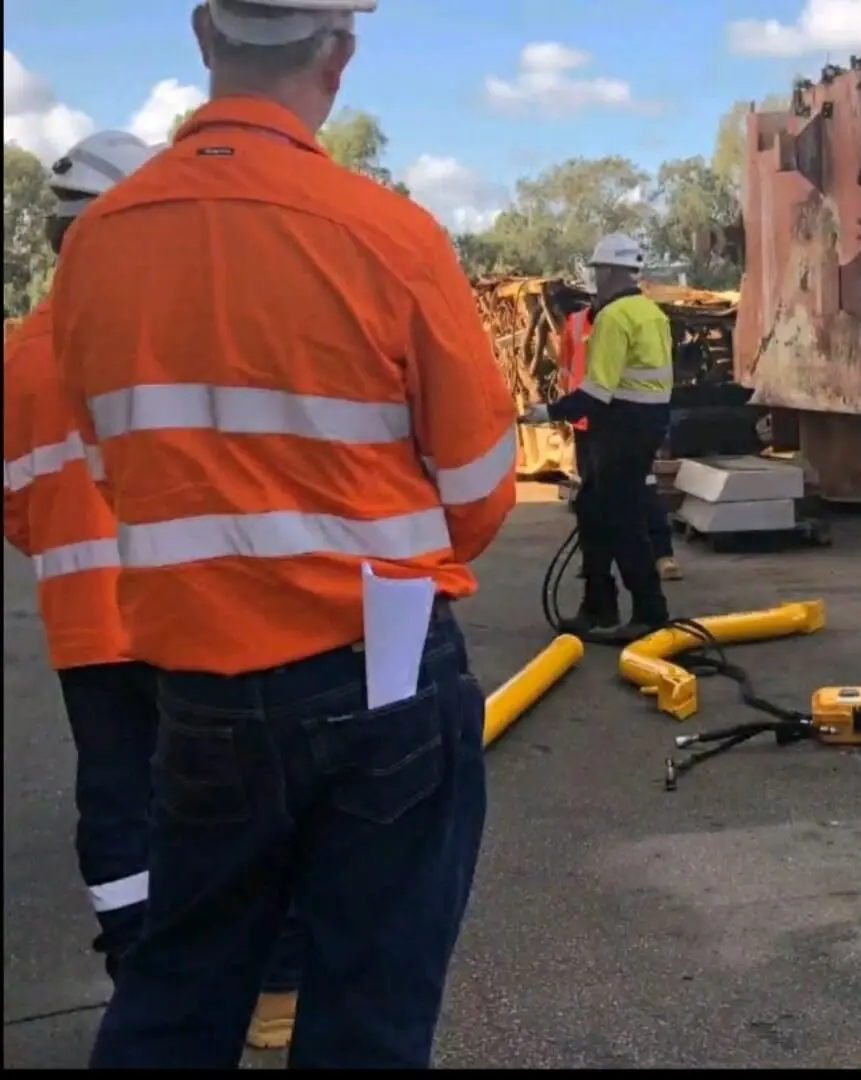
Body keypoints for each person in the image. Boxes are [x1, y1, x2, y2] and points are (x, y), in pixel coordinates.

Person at [49, 0, 518, 1068]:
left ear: (203, 36)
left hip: (197, 682)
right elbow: (482, 487)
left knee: (179, 987)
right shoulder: (385, 233)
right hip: (379, 668)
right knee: (370, 1004)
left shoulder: (98, 246)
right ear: (339, 54)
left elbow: (109, 462)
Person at [3, 130, 309, 1048]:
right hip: (194, 613)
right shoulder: (180, 329)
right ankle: (277, 988)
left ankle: (146, 984)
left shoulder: (20, 357)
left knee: (118, 806)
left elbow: (16, 505)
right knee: (249, 795)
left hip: (86, 629)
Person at [525, 234, 674, 639]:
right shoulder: (651, 314)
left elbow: (596, 393)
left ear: (608, 272)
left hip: (619, 428)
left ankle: (649, 611)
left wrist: (547, 412)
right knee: (593, 508)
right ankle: (599, 605)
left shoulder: (612, 318)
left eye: (599, 270)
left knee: (622, 520)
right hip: (646, 424)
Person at [560, 305, 682, 582]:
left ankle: (662, 555)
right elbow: (566, 368)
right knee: (591, 495)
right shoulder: (575, 322)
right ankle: (595, 561)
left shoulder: (634, 319)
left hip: (624, 422)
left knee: (643, 487)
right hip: (587, 422)